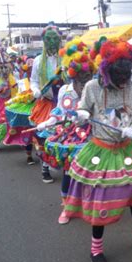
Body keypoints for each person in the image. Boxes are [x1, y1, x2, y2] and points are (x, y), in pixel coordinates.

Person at [62, 39, 132, 262]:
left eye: (126, 77)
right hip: (101, 149)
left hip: (127, 149)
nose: (123, 82)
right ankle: (96, 248)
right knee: (100, 197)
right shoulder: (92, 88)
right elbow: (82, 108)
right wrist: (82, 113)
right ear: (107, 71)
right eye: (119, 78)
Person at [36, 37, 95, 224]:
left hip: (93, 135)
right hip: (70, 135)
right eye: (80, 80)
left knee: (92, 170)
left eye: (87, 79)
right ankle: (67, 208)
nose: (84, 84)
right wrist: (48, 122)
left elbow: (104, 113)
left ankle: (91, 203)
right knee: (69, 172)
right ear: (72, 76)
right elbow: (60, 112)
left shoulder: (95, 89)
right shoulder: (64, 91)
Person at [30, 23, 64, 183]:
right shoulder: (38, 60)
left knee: (69, 135)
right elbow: (34, 81)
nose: (52, 41)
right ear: (44, 40)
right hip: (47, 103)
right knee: (46, 137)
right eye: (48, 38)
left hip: (66, 103)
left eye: (55, 38)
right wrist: (35, 90)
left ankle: (68, 166)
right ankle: (45, 168)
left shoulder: (66, 58)